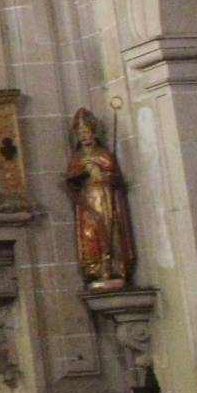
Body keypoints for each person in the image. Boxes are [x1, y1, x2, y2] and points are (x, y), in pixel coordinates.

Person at [65, 108, 137, 289]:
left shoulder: (104, 153)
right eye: (80, 133)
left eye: (87, 132)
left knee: (111, 231)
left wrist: (106, 172)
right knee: (91, 233)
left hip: (105, 196)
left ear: (94, 133)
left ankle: (114, 267)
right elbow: (71, 180)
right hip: (88, 200)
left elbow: (116, 177)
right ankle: (96, 270)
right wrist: (79, 174)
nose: (84, 136)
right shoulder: (77, 157)